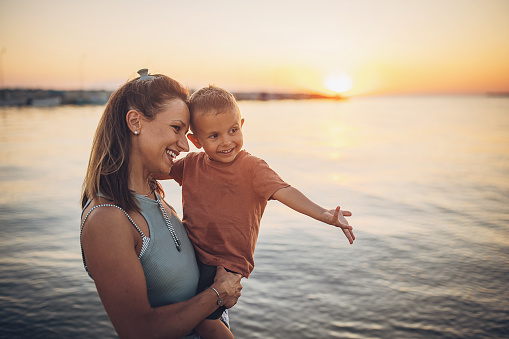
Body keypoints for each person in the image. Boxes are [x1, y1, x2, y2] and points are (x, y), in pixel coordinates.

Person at [167, 85, 355, 338]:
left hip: (226, 261)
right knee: (186, 309)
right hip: (194, 254)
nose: (226, 141)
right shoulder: (191, 164)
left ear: (242, 124)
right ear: (196, 140)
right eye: (214, 136)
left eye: (233, 130)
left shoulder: (252, 168)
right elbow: (156, 169)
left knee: (203, 320)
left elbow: (285, 191)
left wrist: (323, 214)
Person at [80, 70, 242, 339]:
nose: (185, 145)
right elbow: (137, 331)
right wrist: (217, 295)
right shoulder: (107, 219)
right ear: (135, 121)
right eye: (176, 128)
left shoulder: (155, 194)